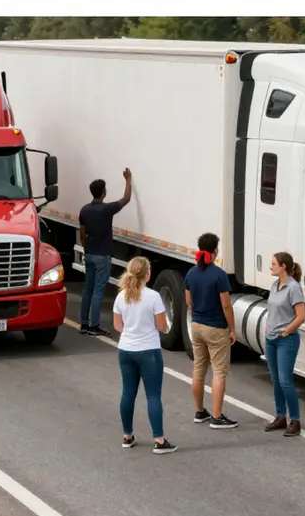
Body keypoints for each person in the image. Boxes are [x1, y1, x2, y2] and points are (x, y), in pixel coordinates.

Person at [112, 257, 177, 455]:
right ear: (147, 274)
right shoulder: (154, 297)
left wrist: (131, 331)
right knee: (153, 395)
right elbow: (162, 326)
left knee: (128, 393)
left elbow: (118, 326)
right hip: (149, 350)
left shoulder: (121, 296)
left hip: (126, 350)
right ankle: (159, 440)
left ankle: (127, 436)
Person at [184, 233, 238, 429]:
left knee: (199, 369)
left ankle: (200, 411)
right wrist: (232, 329)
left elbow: (188, 302)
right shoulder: (219, 274)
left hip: (197, 326)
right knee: (219, 372)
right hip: (215, 328)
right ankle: (217, 416)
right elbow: (226, 305)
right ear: (215, 250)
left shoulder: (191, 273)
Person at [79, 169, 132, 336]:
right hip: (103, 255)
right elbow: (126, 199)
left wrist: (86, 247)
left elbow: (82, 232)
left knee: (88, 288)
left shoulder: (85, 210)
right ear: (103, 192)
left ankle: (84, 324)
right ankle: (94, 325)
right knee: (98, 290)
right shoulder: (107, 209)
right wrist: (128, 180)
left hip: (89, 253)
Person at [263, 252, 305, 437]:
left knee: (285, 380)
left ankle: (295, 420)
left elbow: (301, 316)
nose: (270, 266)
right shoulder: (275, 285)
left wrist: (287, 330)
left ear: (283, 267)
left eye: (273, 264)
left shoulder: (293, 288)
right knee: (275, 380)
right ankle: (281, 417)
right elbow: (273, 310)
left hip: (285, 340)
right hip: (271, 339)